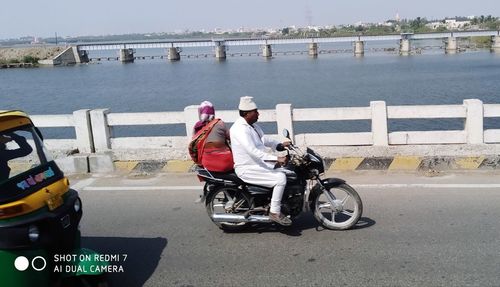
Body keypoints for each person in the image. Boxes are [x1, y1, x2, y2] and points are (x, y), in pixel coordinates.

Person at [229, 96, 292, 226]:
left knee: (288, 172)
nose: (258, 114)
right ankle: (274, 212)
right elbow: (253, 150)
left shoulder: (253, 126)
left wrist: (280, 145)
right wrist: (277, 158)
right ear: (246, 113)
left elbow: (264, 140)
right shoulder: (239, 129)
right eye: (255, 112)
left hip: (258, 164)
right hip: (247, 168)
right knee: (280, 178)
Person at [190, 101, 233, 172]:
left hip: (206, 164)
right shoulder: (220, 124)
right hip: (226, 164)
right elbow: (232, 138)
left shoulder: (197, 127)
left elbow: (194, 144)